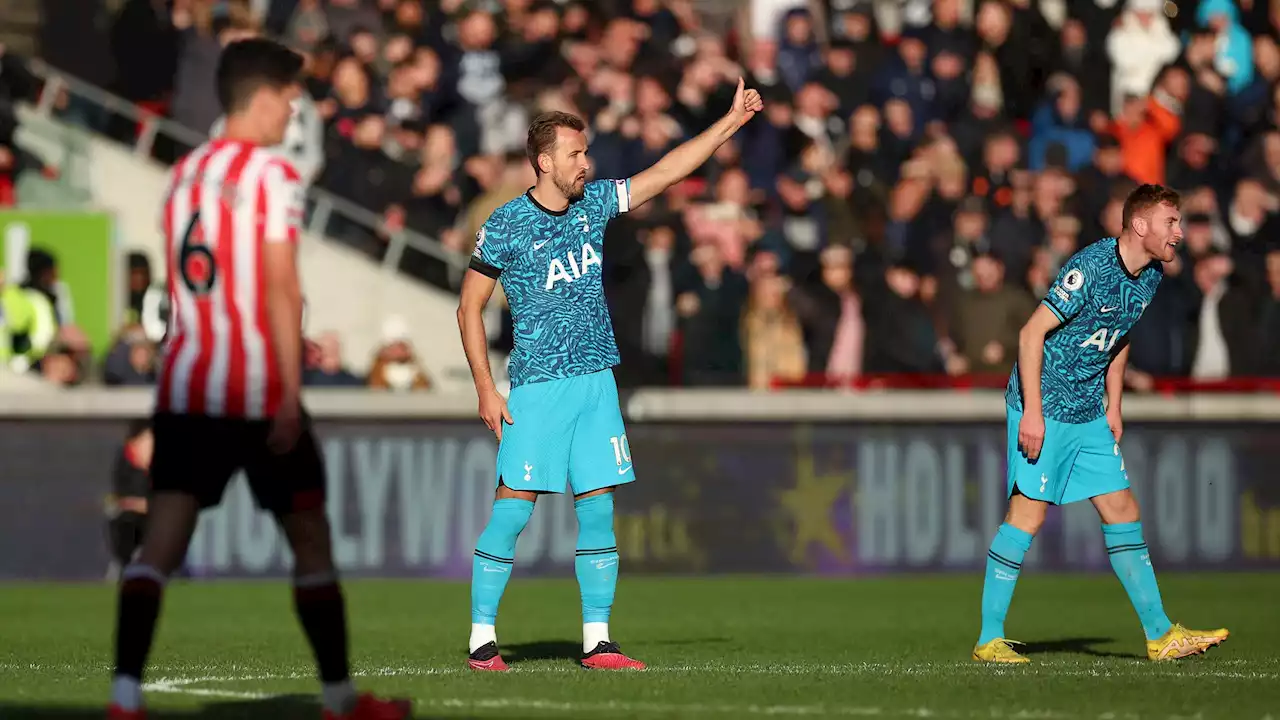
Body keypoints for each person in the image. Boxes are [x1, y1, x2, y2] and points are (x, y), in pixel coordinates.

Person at [107, 39, 411, 720]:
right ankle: (340, 701)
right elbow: (279, 289)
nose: (293, 114)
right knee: (309, 537)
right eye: (292, 101)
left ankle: (123, 697)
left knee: (160, 541)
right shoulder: (272, 176)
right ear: (266, 96)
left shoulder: (182, 175)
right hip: (252, 387)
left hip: (187, 386)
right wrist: (285, 393)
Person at [457, 80, 764, 671]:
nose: (585, 163)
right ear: (544, 161)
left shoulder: (594, 204)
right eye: (575, 154)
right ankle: (481, 640)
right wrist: (485, 388)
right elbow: (469, 305)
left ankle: (598, 641)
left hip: (597, 383)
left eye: (586, 152)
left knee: (597, 511)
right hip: (538, 387)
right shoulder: (506, 223)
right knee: (513, 511)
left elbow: (668, 171)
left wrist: (730, 123)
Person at [973, 184, 1230, 664]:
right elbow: (1031, 334)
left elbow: (1119, 334)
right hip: (1045, 405)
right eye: (1171, 222)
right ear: (1140, 225)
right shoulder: (1089, 269)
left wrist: (1114, 404)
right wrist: (1031, 412)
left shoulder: (1151, 276)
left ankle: (1160, 635)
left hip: (1090, 409)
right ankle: (990, 638)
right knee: (1028, 516)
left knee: (1122, 508)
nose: (1179, 232)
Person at [105, 419, 153, 581]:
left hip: (153, 517)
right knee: (123, 523)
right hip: (130, 518)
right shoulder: (124, 462)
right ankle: (122, 566)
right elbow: (120, 498)